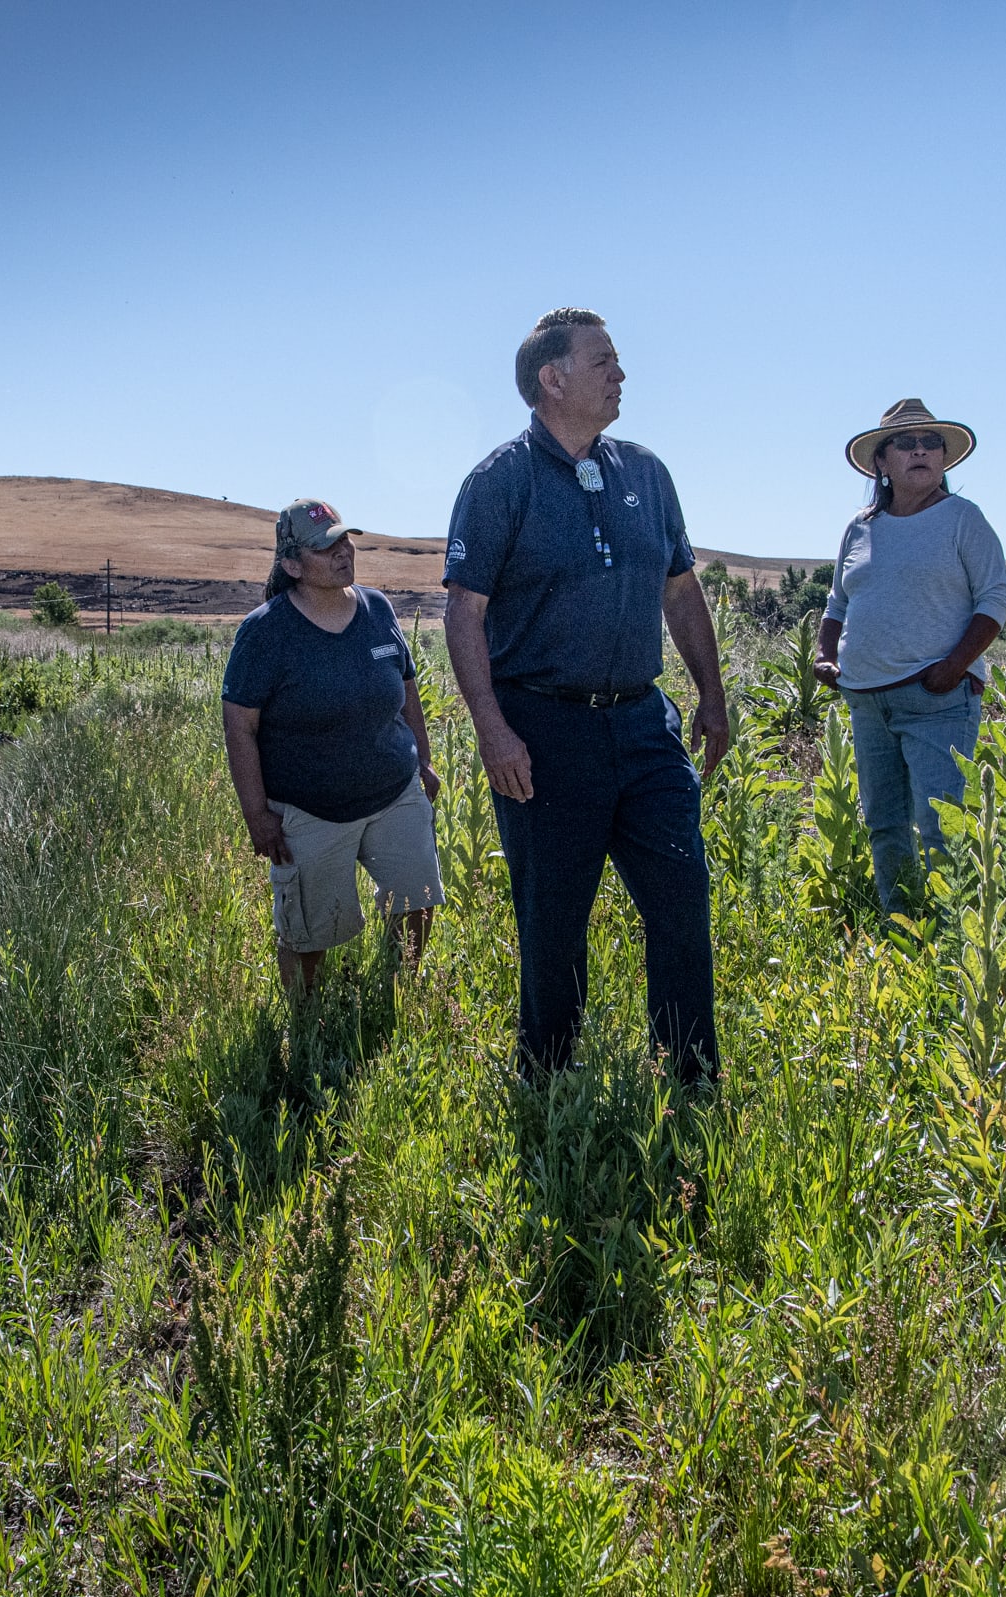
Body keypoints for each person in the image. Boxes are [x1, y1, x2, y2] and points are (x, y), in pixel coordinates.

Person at [443, 308, 730, 1083]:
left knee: (680, 898)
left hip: (643, 727)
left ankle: (690, 1073)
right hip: (542, 731)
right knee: (553, 918)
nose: (621, 374)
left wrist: (711, 692)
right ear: (552, 377)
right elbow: (463, 613)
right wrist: (493, 730)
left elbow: (679, 589)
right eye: (604, 360)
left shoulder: (646, 472)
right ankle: (549, 1075)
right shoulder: (500, 481)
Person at [221, 498, 443, 995]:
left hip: (395, 792)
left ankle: (397, 993)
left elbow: (406, 690)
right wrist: (257, 815)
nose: (343, 551)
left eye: (345, 539)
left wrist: (423, 764)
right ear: (293, 565)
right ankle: (308, 1027)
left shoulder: (377, 609)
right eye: (326, 547)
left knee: (418, 899)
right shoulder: (265, 633)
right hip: (310, 810)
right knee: (309, 935)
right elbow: (240, 730)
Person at [814, 399, 1006, 914]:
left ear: (945, 459)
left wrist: (951, 669)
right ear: (881, 462)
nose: (920, 451)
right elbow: (837, 602)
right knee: (885, 823)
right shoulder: (860, 527)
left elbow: (996, 600)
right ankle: (900, 927)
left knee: (941, 826)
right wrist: (825, 654)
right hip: (866, 698)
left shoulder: (962, 519)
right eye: (906, 443)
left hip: (937, 699)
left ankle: (952, 942)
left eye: (931, 444)